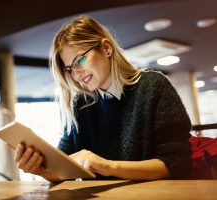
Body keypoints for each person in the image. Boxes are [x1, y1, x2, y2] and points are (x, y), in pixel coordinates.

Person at [14, 15, 192, 182]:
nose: (76, 74)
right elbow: (65, 170)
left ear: (106, 48)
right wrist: (39, 169)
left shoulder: (153, 86)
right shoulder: (80, 104)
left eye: (80, 61)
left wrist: (107, 166)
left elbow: (177, 163)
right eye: (69, 69)